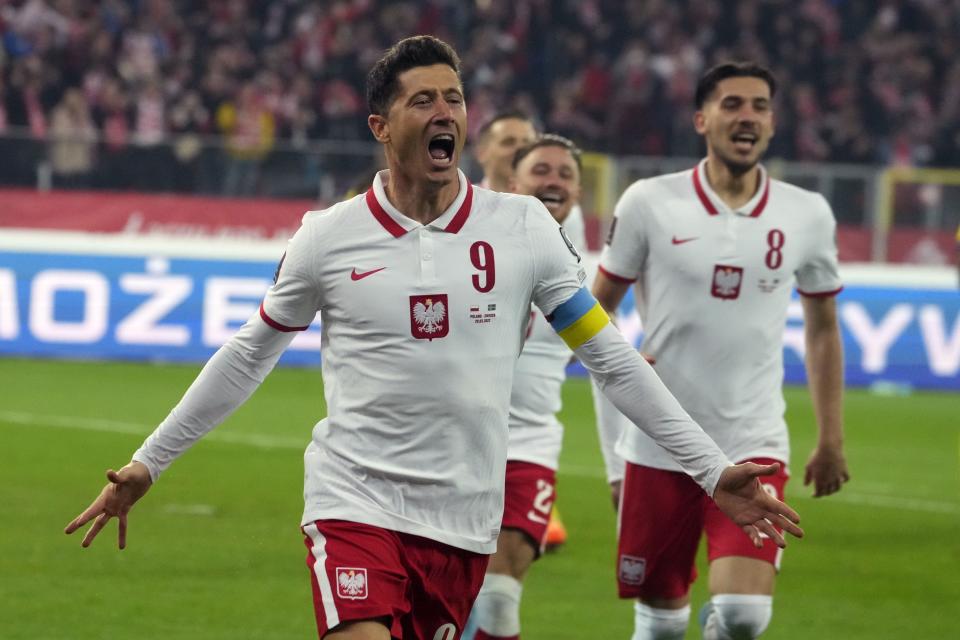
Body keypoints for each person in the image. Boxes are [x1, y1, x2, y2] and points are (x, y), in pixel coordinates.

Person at [65, 39, 803, 640]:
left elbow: (607, 355)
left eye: (453, 97)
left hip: (463, 521)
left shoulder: (523, 229)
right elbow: (249, 352)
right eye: (424, 99)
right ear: (382, 126)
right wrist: (147, 463)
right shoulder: (327, 237)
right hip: (353, 500)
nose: (444, 110)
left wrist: (712, 469)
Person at [591, 61, 849, 640]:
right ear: (702, 119)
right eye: (733, 104)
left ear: (773, 124)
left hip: (753, 441)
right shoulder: (648, 202)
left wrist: (831, 437)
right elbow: (593, 314)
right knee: (660, 626)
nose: (748, 116)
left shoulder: (806, 214)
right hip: (661, 448)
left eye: (760, 105)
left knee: (742, 618)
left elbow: (824, 327)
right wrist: (616, 445)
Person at [465, 134, 584, 640]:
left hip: (529, 448)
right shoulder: (469, 252)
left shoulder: (580, 272)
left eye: (566, 174)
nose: (554, 181)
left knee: (496, 600)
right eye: (542, 171)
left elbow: (606, 353)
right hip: (454, 442)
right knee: (443, 602)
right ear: (512, 184)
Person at [472, 110, 570, 551]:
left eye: (526, 140)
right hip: (459, 421)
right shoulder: (455, 212)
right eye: (510, 141)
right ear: (484, 151)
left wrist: (607, 349)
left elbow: (580, 304)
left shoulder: (555, 220)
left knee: (498, 589)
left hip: (530, 429)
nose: (519, 149)